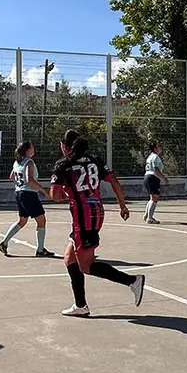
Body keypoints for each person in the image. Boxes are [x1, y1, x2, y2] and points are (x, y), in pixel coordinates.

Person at [50, 129, 144, 317]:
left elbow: (55, 195)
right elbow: (115, 181)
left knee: (86, 265)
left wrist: (67, 191)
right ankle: (80, 305)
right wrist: (122, 206)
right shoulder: (95, 160)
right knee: (70, 258)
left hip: (83, 217)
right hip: (96, 212)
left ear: (65, 147)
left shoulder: (63, 164)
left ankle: (133, 281)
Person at [0, 140, 54, 257]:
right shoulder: (29, 163)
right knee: (41, 221)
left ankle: (4, 242)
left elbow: (12, 177)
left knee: (22, 221)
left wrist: (20, 181)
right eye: (32, 147)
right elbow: (30, 181)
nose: (34, 149)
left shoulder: (17, 162)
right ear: (28, 150)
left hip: (18, 193)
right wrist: (44, 191)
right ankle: (40, 250)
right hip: (28, 194)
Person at [143, 140, 168, 224]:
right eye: (158, 146)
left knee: (152, 198)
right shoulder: (155, 157)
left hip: (147, 177)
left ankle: (147, 215)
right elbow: (156, 169)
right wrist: (163, 177)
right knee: (155, 198)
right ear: (154, 148)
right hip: (152, 177)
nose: (160, 148)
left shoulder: (150, 156)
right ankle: (150, 218)